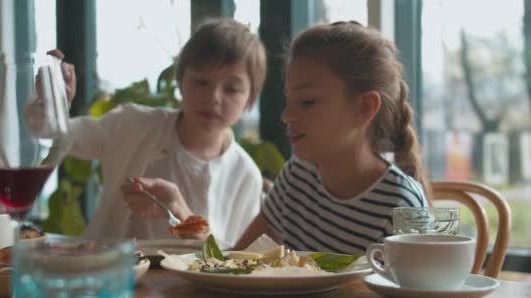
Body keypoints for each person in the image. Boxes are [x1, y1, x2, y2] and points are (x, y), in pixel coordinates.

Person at [133, 21, 430, 255]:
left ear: (364, 108)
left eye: (308, 102)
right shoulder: (296, 178)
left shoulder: (404, 205)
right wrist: (183, 214)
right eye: (289, 100)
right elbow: (239, 262)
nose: (287, 115)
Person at [36, 18, 267, 247]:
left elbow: (236, 261)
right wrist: (54, 103)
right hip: (106, 273)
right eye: (201, 82)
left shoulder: (245, 176)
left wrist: (181, 211)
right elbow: (55, 133)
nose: (214, 97)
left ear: (250, 99)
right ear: (180, 81)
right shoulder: (134, 125)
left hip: (190, 285)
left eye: (232, 89)